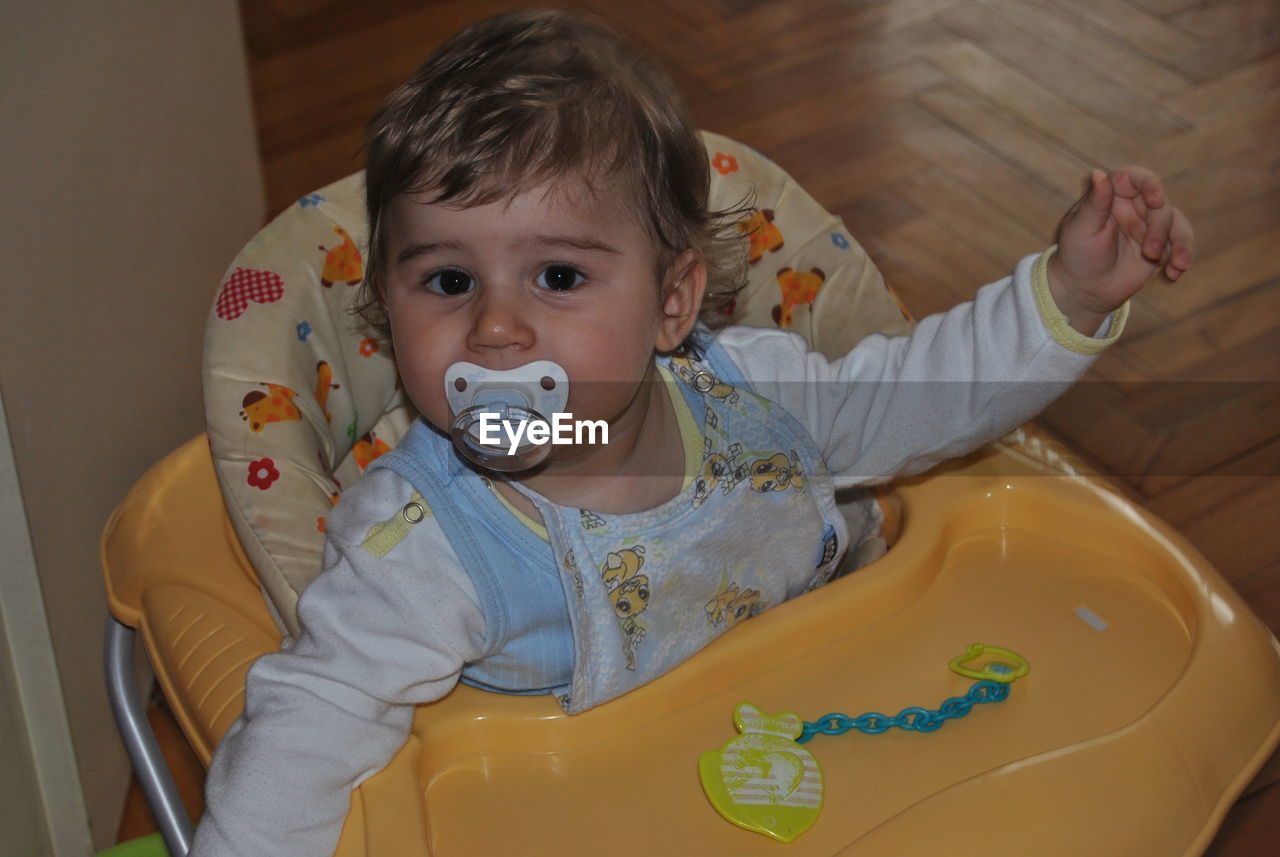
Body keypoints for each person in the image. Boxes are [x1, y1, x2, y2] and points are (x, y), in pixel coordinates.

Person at [191, 8, 1193, 856]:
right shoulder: (417, 548)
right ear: (385, 304)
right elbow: (307, 722)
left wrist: (1063, 297)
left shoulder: (753, 397)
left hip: (835, 742)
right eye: (447, 281)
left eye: (558, 276)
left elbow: (923, 396)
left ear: (673, 304)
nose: (495, 327)